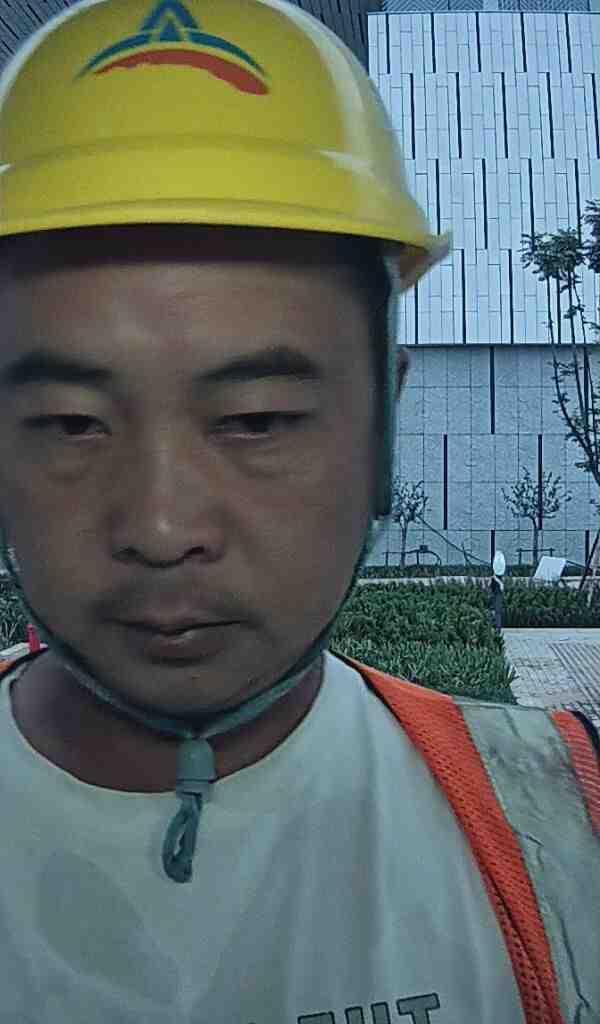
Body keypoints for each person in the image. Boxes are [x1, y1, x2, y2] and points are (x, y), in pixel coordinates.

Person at [0, 1, 597, 1021]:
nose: (161, 527)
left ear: (382, 426)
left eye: (257, 420)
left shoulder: (560, 824)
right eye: (70, 423)